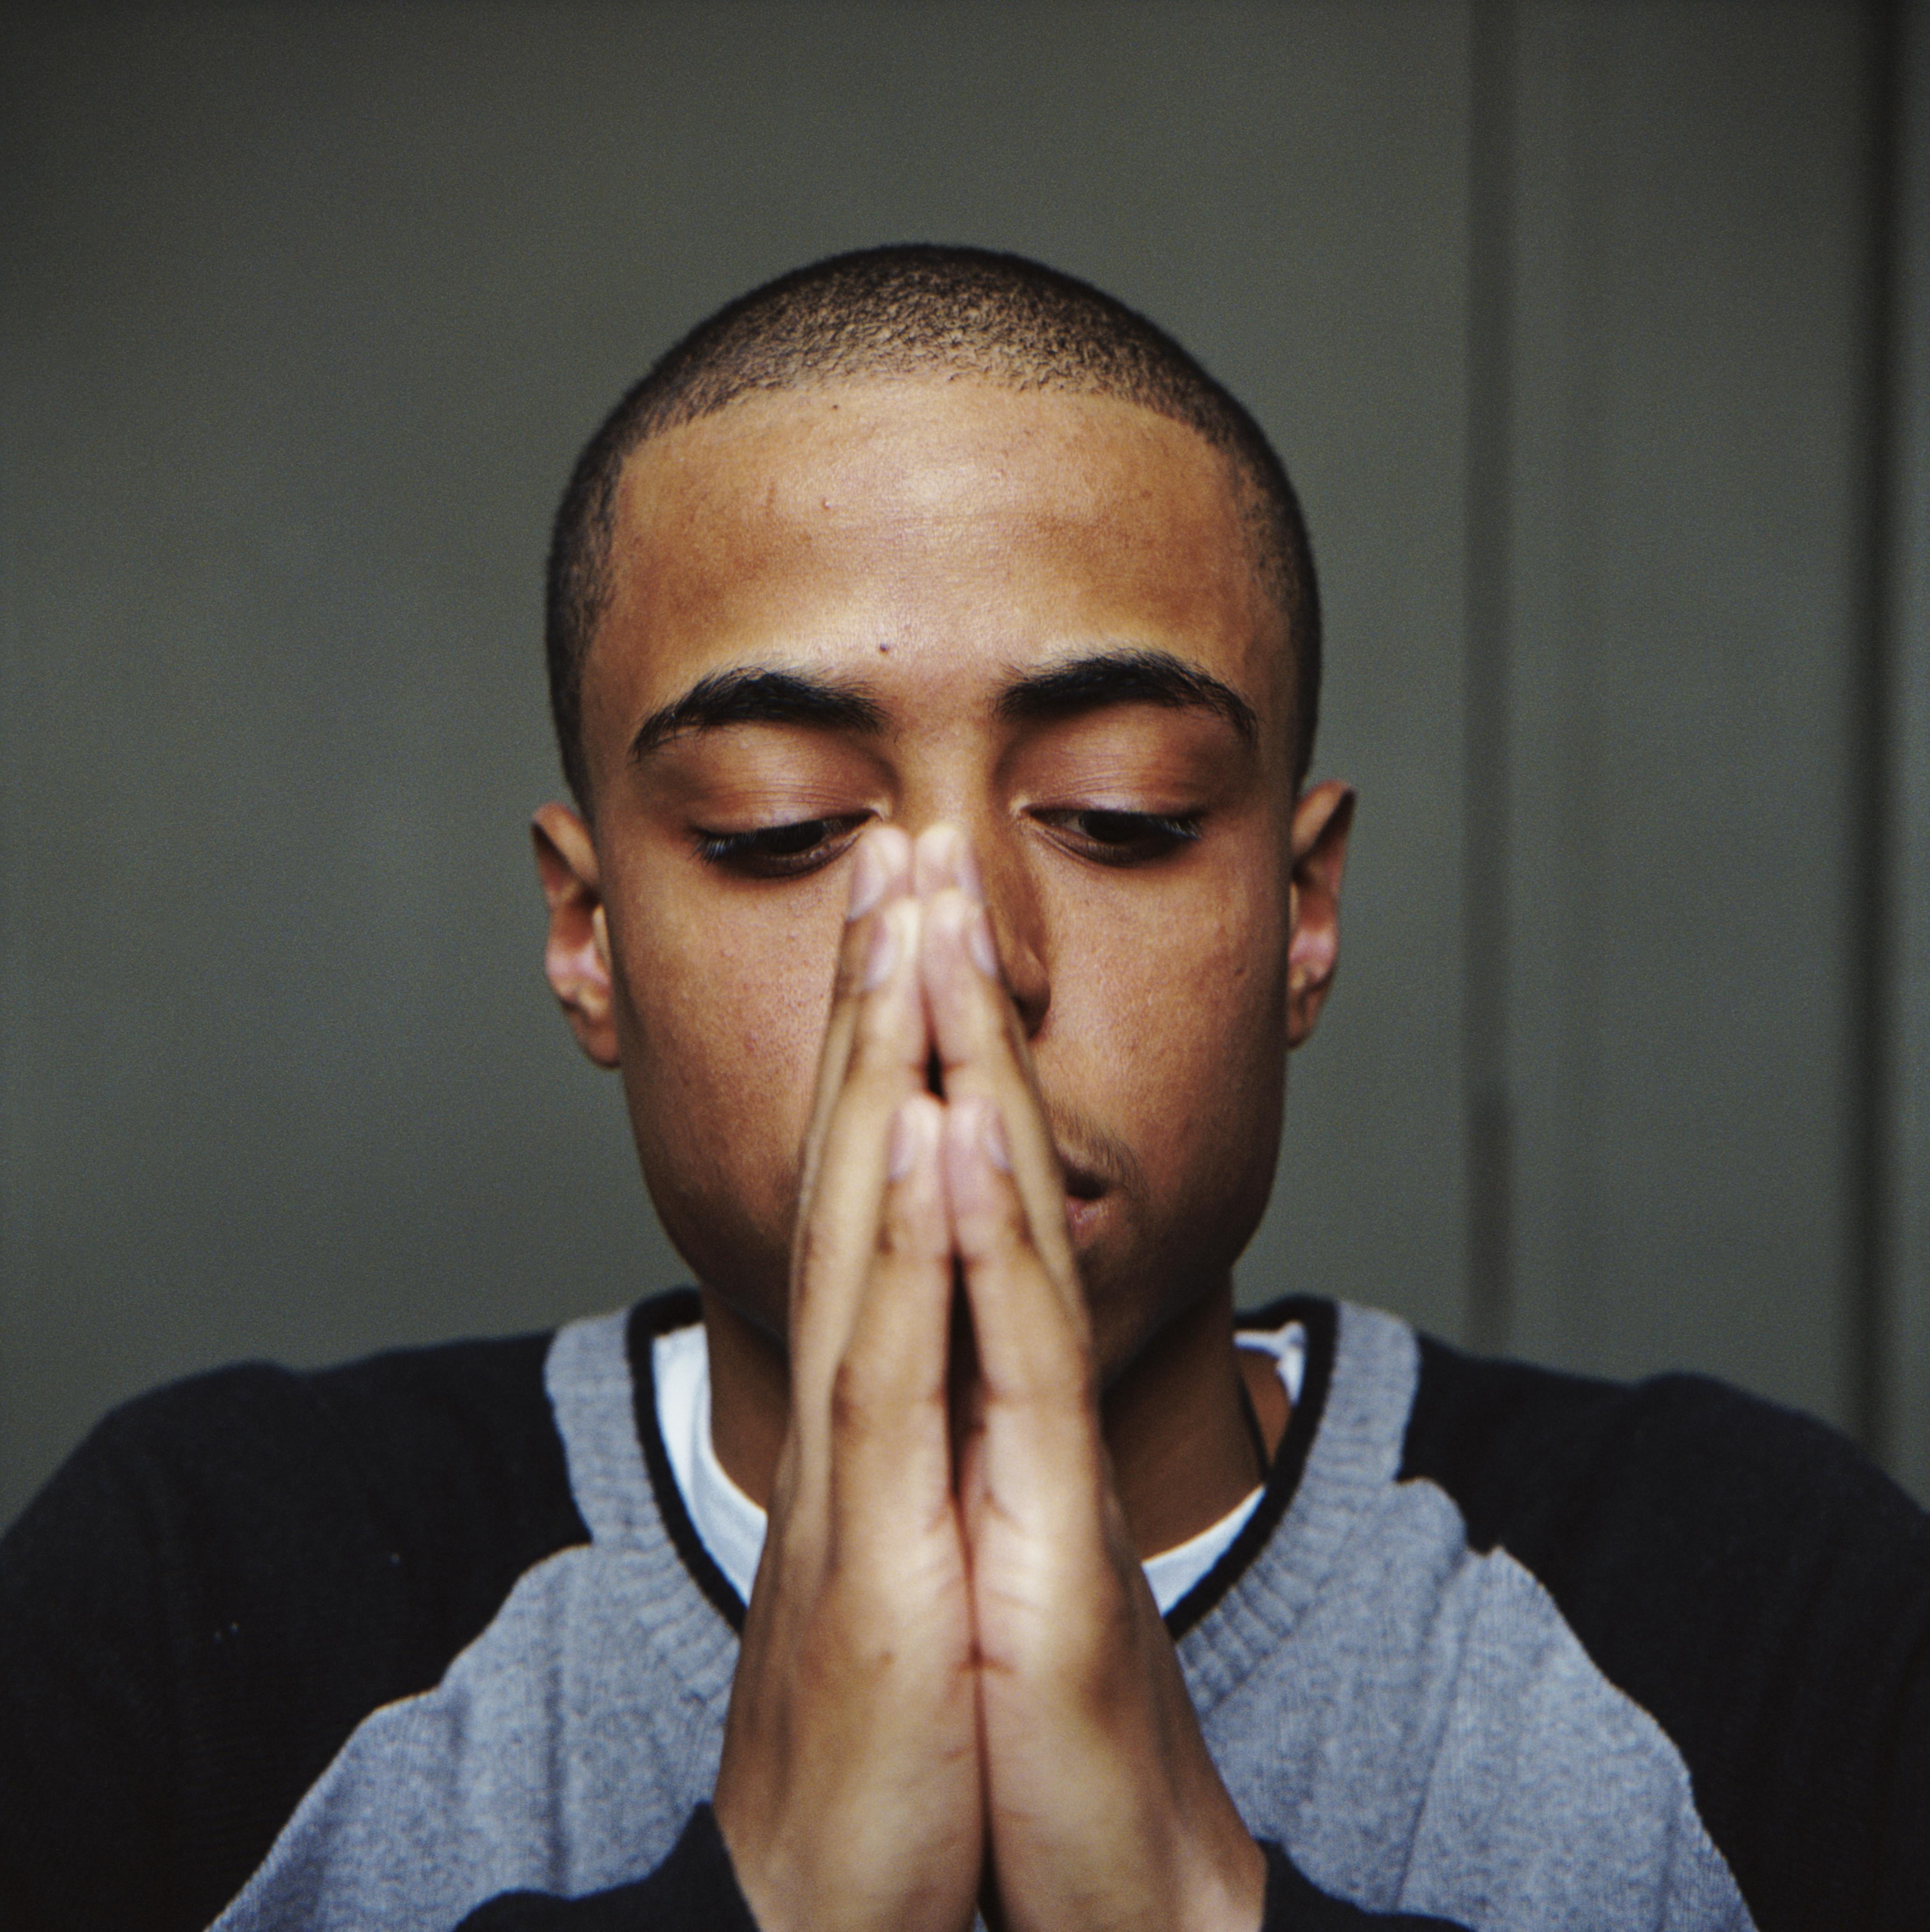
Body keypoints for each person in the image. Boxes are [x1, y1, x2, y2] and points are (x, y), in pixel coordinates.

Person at [1, 245, 1925, 1932]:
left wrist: (1181, 1900)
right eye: (783, 831)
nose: (964, 954)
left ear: (1300, 916)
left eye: (1119, 817)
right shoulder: (199, 1593)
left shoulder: (1759, 1613)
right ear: (590, 937)